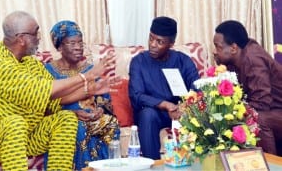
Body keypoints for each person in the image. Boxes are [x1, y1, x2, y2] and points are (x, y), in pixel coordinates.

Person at [0, 11, 115, 170]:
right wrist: (87, 76)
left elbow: (54, 96)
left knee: (66, 118)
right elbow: (45, 89)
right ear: (21, 39)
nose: (39, 37)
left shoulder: (30, 63)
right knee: (14, 122)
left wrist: (89, 90)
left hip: (28, 135)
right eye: (35, 33)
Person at [45, 20, 120, 170]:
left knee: (111, 122)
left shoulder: (90, 69)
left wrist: (100, 109)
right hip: (65, 119)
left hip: (92, 118)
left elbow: (104, 99)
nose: (78, 47)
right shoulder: (48, 71)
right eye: (72, 43)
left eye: (80, 42)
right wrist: (73, 113)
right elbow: (44, 105)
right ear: (59, 46)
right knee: (78, 127)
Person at [128, 16, 200, 160]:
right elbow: (136, 95)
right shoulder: (139, 62)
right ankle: (152, 165)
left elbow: (197, 89)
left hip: (180, 112)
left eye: (160, 42)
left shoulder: (183, 61)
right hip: (153, 113)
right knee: (148, 115)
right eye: (151, 38)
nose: (153, 44)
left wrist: (182, 108)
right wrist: (165, 105)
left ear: (171, 44)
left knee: (201, 114)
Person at [213, 20, 282, 156]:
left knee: (256, 119)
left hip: (275, 110)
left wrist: (233, 114)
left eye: (218, 47)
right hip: (274, 110)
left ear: (233, 48)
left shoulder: (253, 59)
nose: (215, 52)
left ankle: (270, 165)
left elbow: (261, 103)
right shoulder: (237, 56)